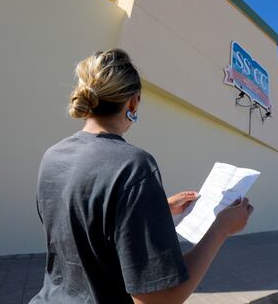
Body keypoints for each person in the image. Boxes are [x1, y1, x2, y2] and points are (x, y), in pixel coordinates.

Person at [30, 48, 254, 304]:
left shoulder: (52, 156)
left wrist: (159, 208)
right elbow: (160, 299)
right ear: (133, 102)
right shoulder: (134, 165)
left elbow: (80, 219)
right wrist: (221, 229)